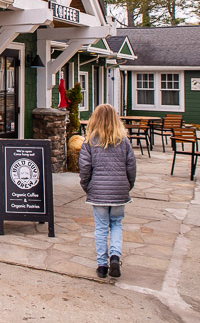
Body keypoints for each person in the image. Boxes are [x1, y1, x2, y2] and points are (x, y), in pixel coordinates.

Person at [78, 103, 136, 278]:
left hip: (98, 191)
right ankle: (115, 257)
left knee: (102, 227)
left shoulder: (89, 142)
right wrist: (128, 185)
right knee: (117, 223)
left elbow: (84, 167)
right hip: (119, 190)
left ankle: (102, 265)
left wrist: (87, 186)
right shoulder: (124, 141)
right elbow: (131, 166)